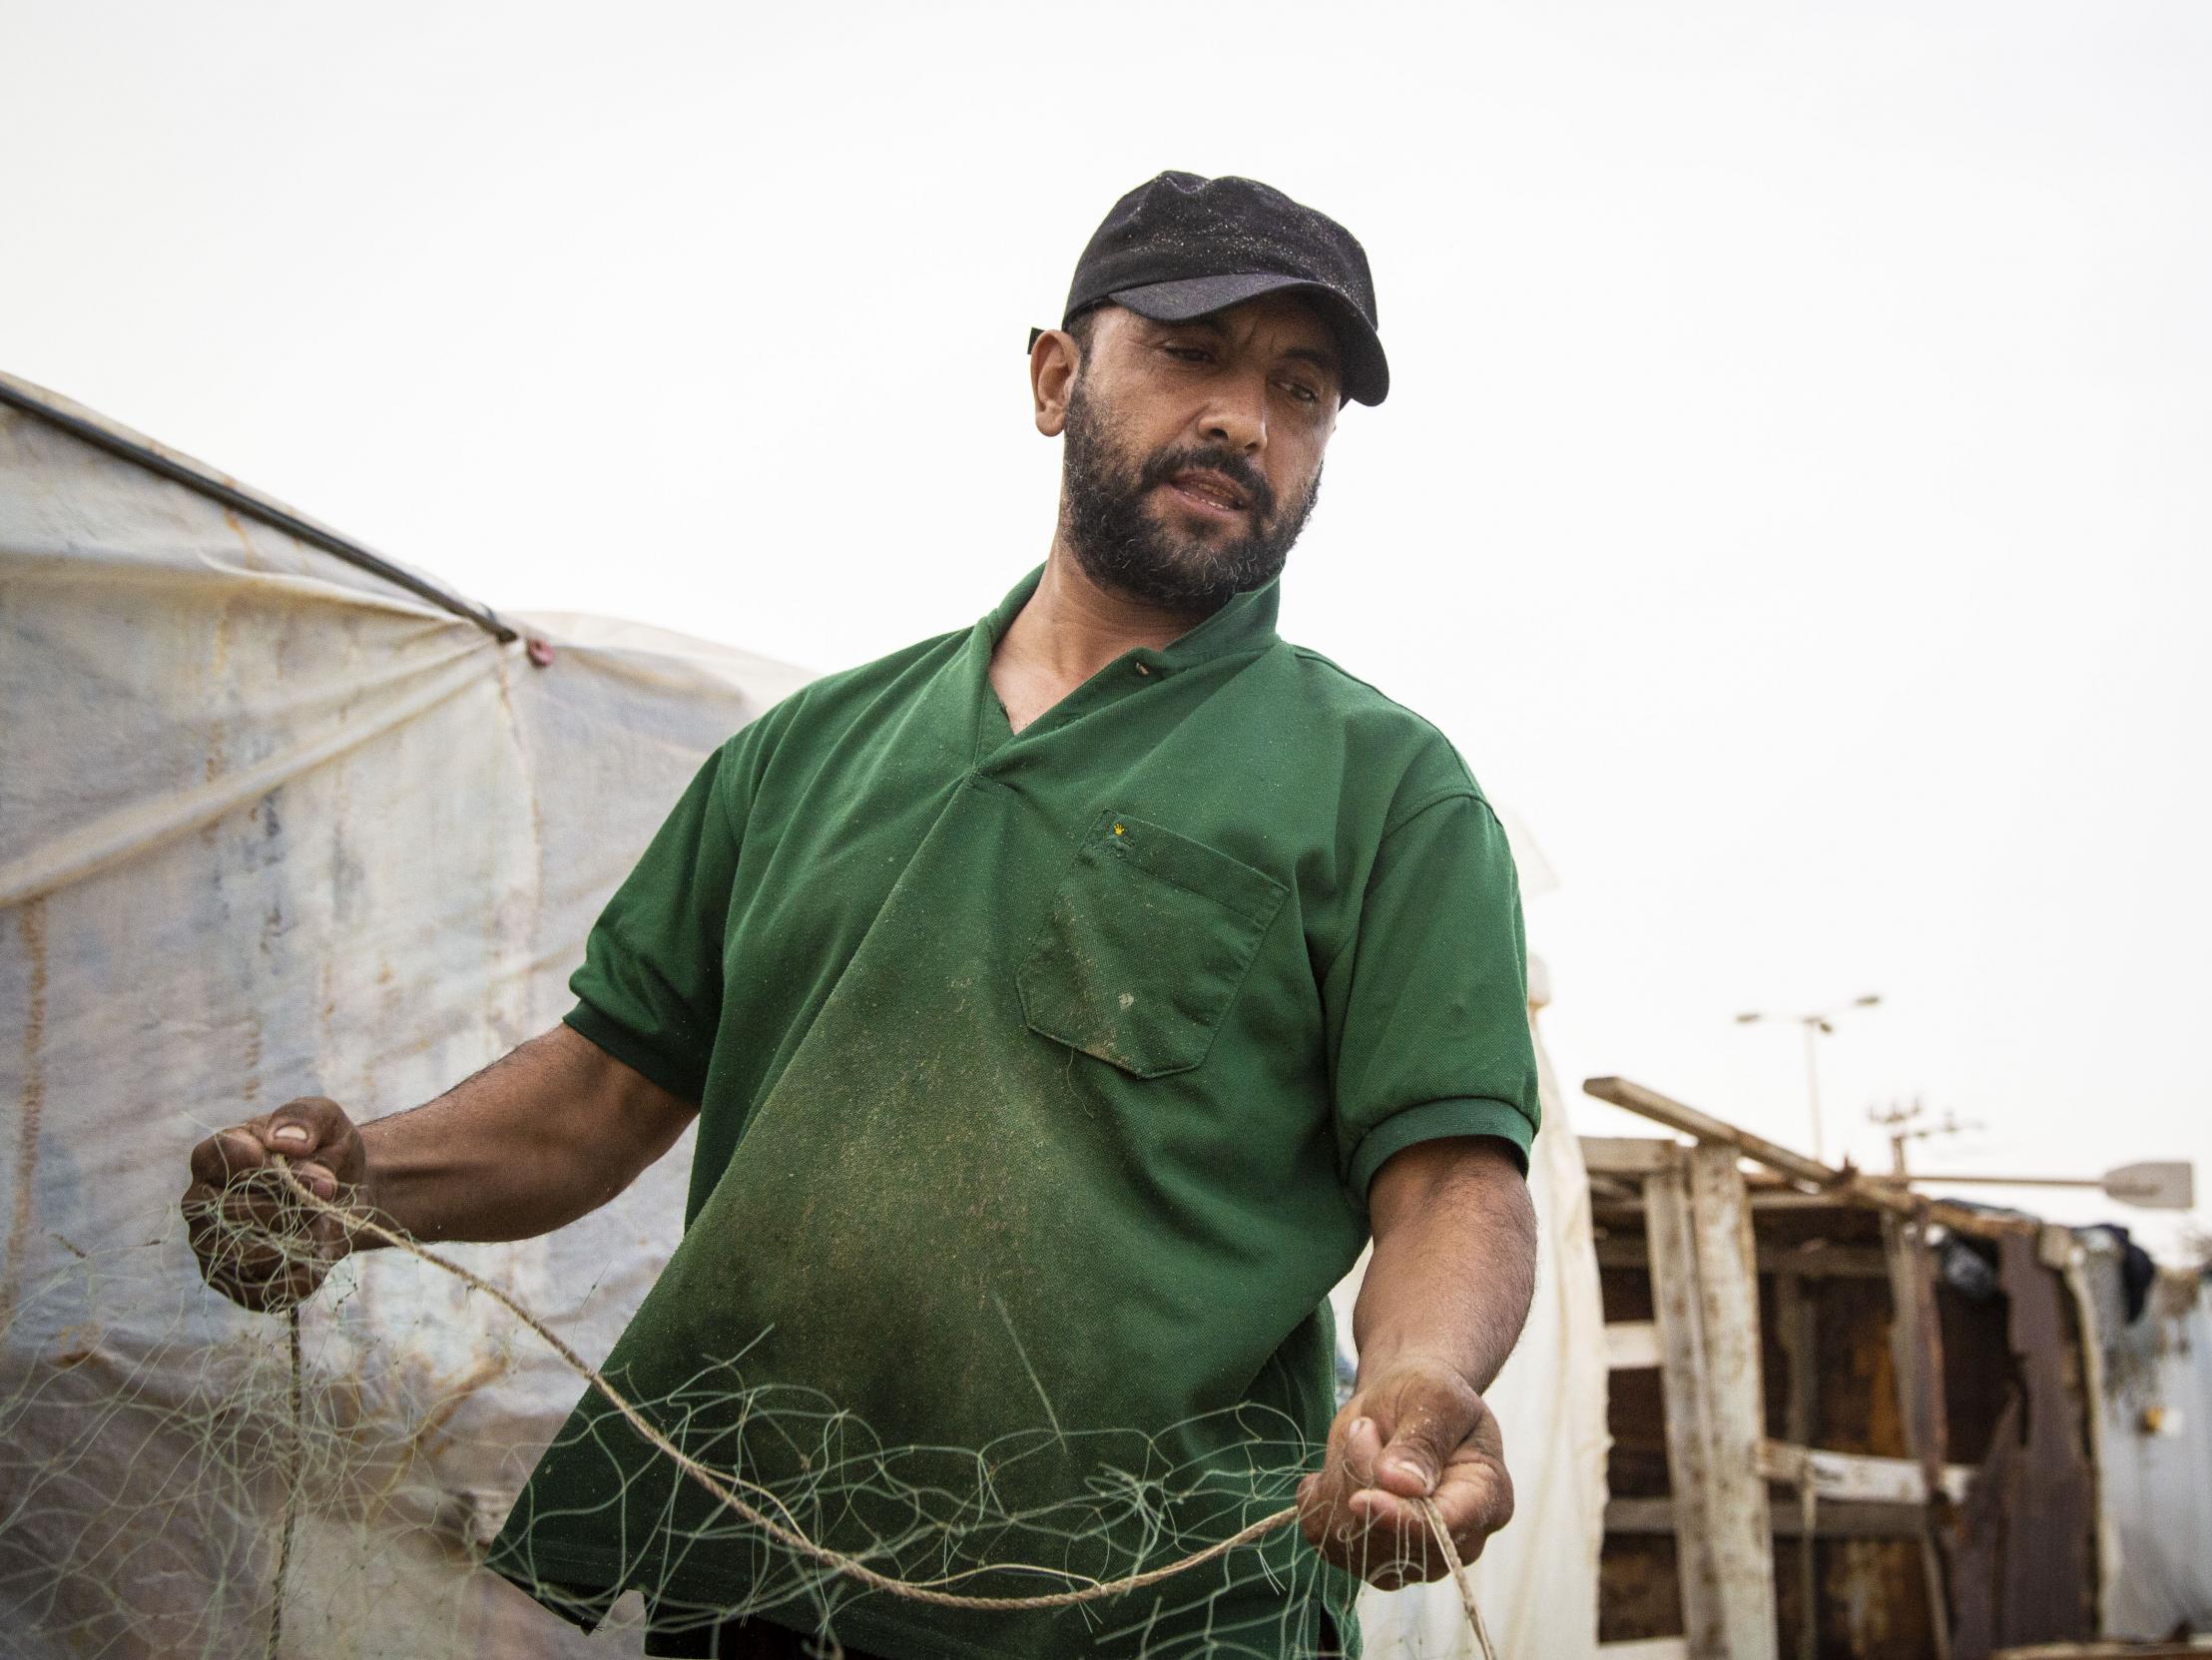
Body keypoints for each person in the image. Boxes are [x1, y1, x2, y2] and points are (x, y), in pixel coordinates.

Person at [184, 171, 1541, 1660]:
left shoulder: (1387, 790)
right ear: (1054, 376)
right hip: (758, 1594)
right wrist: (359, 1184)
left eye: (1302, 390)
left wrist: (1415, 1382)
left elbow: (1451, 1183)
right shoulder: (804, 754)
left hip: (1159, 1620)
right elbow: (598, 1099)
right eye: (1193, 352)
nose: (1245, 419)